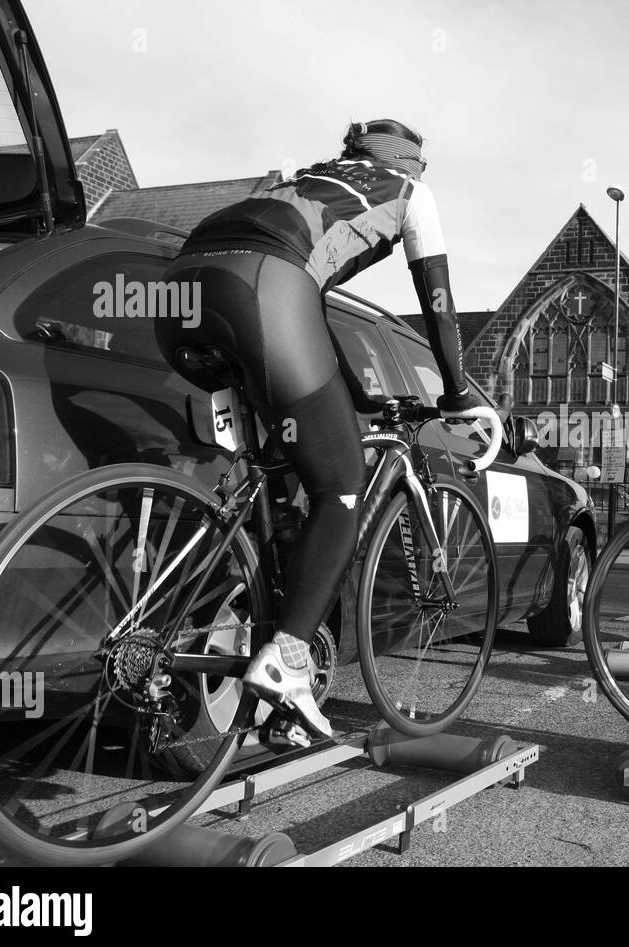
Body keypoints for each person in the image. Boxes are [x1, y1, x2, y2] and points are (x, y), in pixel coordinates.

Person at [156, 119, 472, 743]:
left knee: (279, 488)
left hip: (182, 294)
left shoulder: (306, 183)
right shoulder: (409, 191)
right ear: (412, 162)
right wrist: (459, 396)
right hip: (265, 289)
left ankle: (264, 683)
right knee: (341, 487)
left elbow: (307, 300)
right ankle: (288, 659)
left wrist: (356, 395)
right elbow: (436, 302)